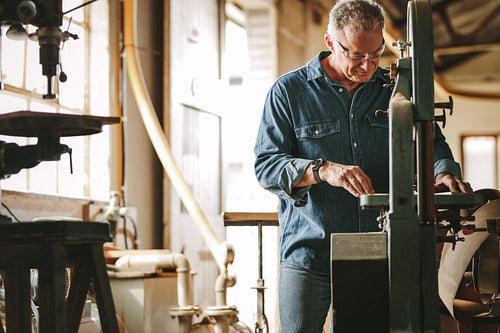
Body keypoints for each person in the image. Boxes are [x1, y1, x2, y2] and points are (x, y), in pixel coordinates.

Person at [253, 0, 472, 332]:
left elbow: (433, 143)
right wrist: (322, 169)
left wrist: (442, 171)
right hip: (311, 254)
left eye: (376, 54)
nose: (368, 66)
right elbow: (267, 166)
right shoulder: (289, 92)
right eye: (356, 56)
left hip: (380, 251)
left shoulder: (394, 92)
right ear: (330, 42)